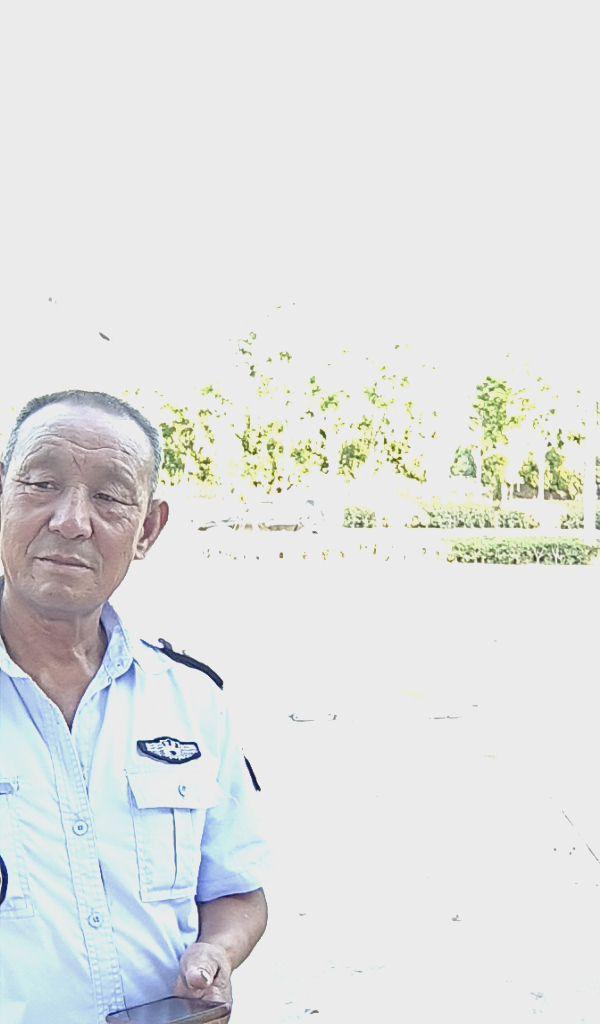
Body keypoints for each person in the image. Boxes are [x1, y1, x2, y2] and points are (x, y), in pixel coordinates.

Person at [0, 390, 268, 1024]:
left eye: (110, 496)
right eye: (42, 484)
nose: (71, 521)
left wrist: (218, 951)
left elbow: (237, 891)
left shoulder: (192, 702)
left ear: (147, 529)